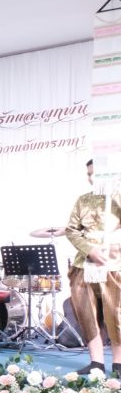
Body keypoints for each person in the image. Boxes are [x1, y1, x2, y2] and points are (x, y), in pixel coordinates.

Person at [65, 159, 121, 375]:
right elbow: (71, 230)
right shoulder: (83, 200)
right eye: (89, 174)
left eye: (96, 173)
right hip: (84, 263)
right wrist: (90, 249)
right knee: (86, 312)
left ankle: (118, 363)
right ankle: (96, 362)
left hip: (113, 263)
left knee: (115, 312)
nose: (91, 178)